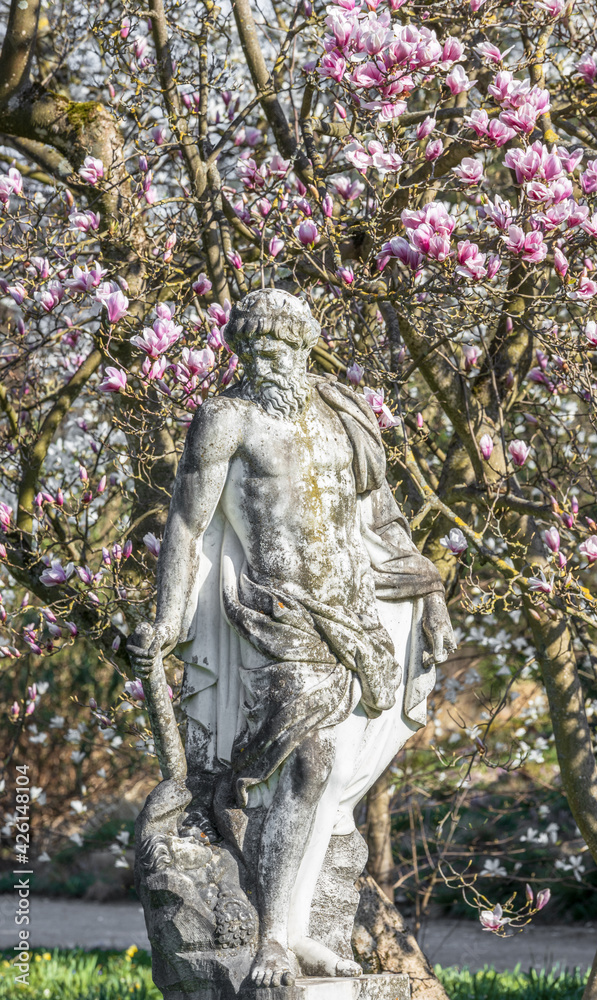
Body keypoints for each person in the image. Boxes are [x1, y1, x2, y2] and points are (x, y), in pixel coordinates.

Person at [129, 289, 456, 988]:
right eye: (246, 346)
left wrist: (427, 593)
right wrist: (168, 618)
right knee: (304, 761)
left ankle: (301, 929)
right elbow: (188, 525)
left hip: (355, 614)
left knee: (328, 779)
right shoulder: (227, 419)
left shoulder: (343, 416)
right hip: (273, 614)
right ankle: (274, 940)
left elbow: (380, 516)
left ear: (305, 345)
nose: (258, 358)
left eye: (273, 345)